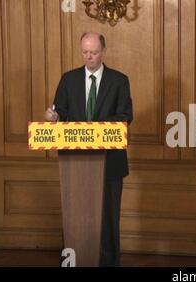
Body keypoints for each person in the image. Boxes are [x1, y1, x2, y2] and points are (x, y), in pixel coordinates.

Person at [45, 32, 133, 266]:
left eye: (93, 52)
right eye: (85, 52)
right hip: (74, 163)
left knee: (108, 218)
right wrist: (54, 117)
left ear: (103, 51)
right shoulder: (68, 79)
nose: (89, 57)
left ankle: (109, 263)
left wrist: (95, 131)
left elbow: (125, 116)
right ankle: (73, 261)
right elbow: (60, 111)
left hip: (110, 163)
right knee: (74, 218)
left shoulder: (119, 80)